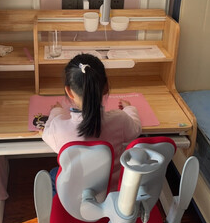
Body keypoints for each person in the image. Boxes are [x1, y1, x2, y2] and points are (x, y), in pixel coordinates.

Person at [42, 53, 142, 194]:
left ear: (69, 91)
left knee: (53, 173)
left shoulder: (58, 128)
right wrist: (129, 109)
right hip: (110, 192)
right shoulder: (120, 119)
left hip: (75, 196)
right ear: (106, 87)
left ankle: (58, 205)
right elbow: (136, 129)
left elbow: (46, 132)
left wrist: (56, 111)